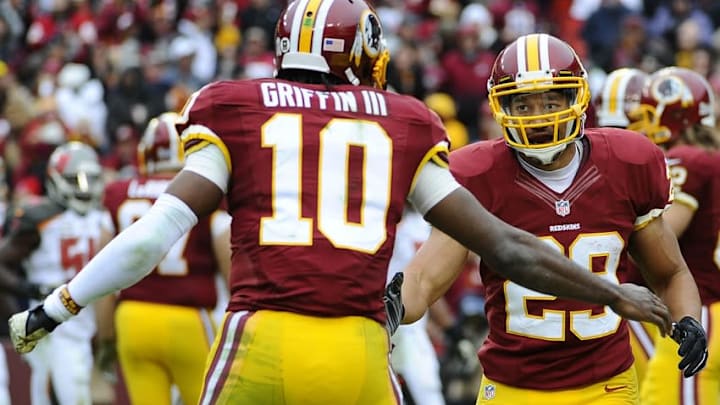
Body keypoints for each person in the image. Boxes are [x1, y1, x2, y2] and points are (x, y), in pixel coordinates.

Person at [9, 2, 673, 403]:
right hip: (360, 347)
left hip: (262, 336)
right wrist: (612, 293)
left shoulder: (234, 107)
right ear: (363, 53)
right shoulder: (404, 120)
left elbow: (152, 240)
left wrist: (57, 305)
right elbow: (505, 245)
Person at [396, 33, 707, 405]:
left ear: (576, 99)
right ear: (500, 108)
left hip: (605, 384)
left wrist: (688, 318)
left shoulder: (628, 162)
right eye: (523, 105)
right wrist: (388, 307)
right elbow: (425, 278)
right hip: (513, 386)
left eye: (550, 100)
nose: (539, 115)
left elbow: (669, 272)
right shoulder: (477, 173)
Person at [97, 112, 232, 405]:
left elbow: (104, 268)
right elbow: (230, 264)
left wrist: (105, 335)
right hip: (188, 318)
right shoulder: (205, 193)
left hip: (132, 318)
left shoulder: (118, 194)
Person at [629, 66, 720, 405]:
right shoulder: (711, 159)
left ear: (676, 116)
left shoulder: (687, 159)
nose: (642, 125)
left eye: (650, 115)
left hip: (702, 310)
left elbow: (667, 227)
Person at [2, 141, 113, 405]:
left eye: (91, 180)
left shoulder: (105, 217)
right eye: (75, 180)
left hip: (90, 321)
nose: (84, 188)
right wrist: (31, 289)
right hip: (52, 323)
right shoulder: (40, 217)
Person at [595, 66, 658, 387]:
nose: (616, 140)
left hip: (650, 304)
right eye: (610, 129)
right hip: (618, 308)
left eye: (626, 128)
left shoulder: (666, 167)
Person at [386, 207, 445, 405]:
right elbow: (420, 283)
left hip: (402, 320)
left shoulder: (417, 223)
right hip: (391, 319)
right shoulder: (397, 228)